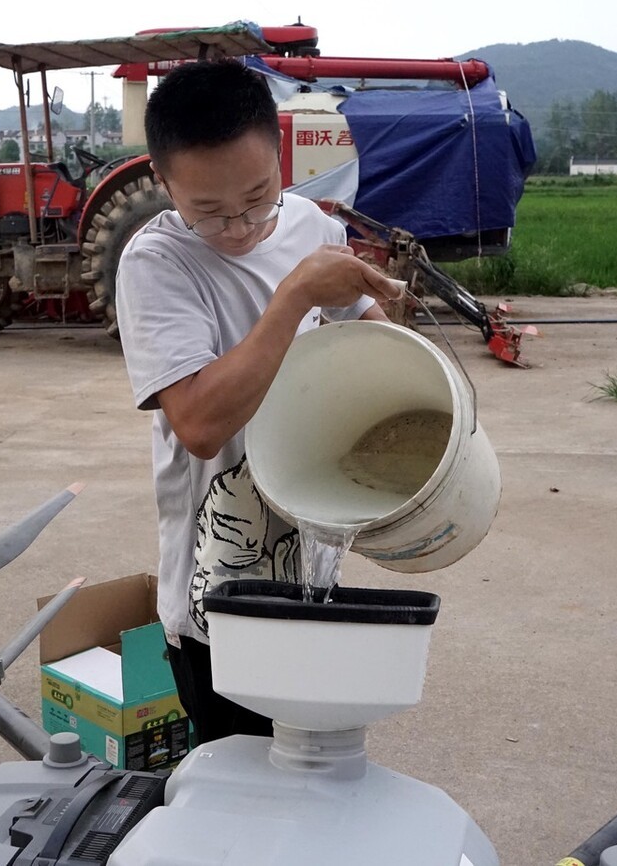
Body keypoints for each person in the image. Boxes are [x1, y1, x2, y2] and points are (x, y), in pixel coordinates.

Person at [113, 59, 400, 744]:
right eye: (208, 211)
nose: (239, 226)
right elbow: (201, 424)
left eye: (257, 195)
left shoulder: (312, 229)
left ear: (280, 153)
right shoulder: (156, 264)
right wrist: (295, 295)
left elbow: (375, 346)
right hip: (221, 601)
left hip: (314, 564)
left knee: (319, 764)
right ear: (164, 181)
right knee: (239, 791)